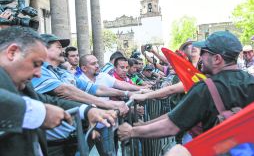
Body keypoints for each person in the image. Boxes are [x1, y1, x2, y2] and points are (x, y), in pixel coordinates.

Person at [0, 26, 117, 156]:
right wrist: (41, 113)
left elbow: (49, 101)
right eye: (36, 64)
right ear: (12, 53)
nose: (38, 74)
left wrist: (88, 110)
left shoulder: (25, 86)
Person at [118, 31, 254, 141]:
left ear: (217, 59)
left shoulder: (204, 88)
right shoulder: (251, 82)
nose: (201, 58)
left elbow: (171, 126)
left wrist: (131, 132)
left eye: (204, 53)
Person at [78, 54, 142, 99]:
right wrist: (127, 94)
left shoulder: (103, 75)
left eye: (97, 63)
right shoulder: (79, 82)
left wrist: (142, 89)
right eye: (93, 64)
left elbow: (122, 84)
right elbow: (100, 91)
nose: (97, 65)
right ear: (84, 68)